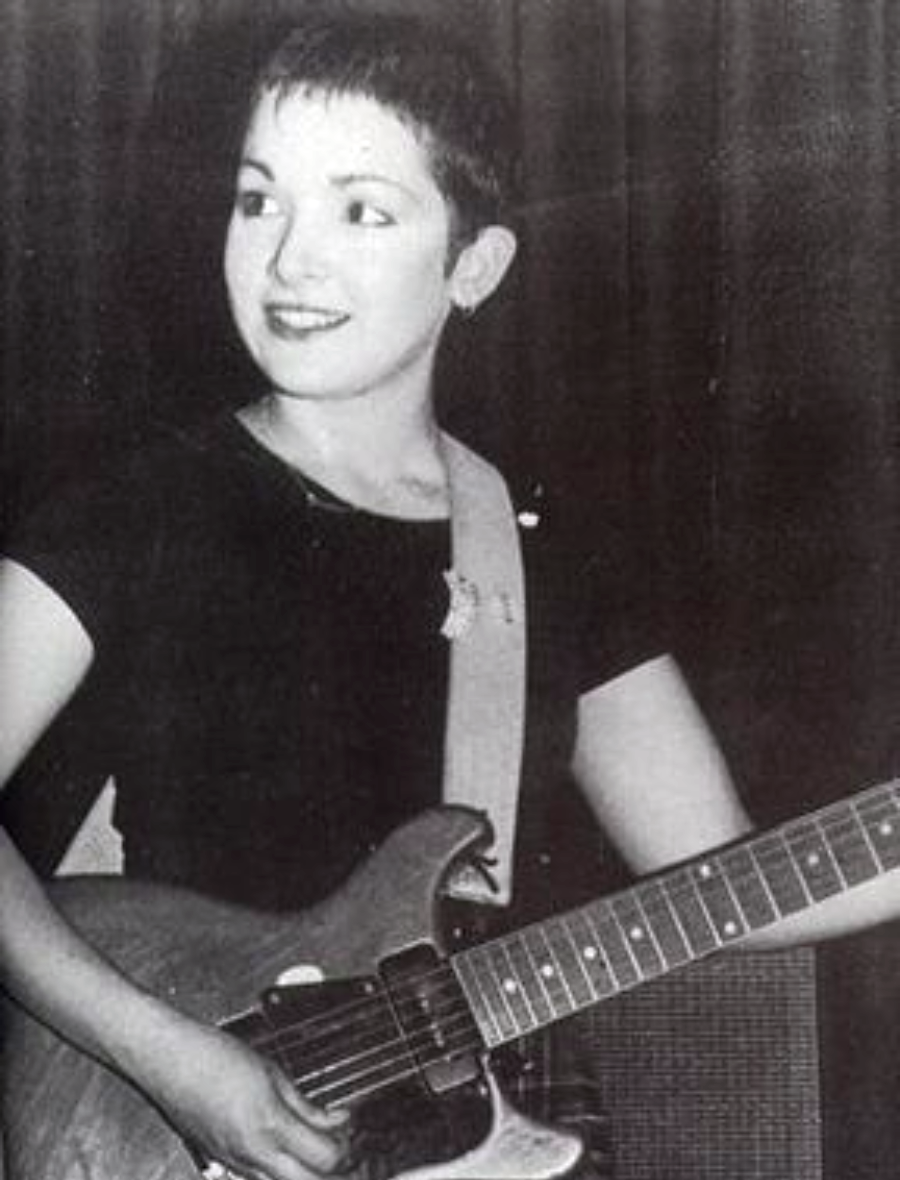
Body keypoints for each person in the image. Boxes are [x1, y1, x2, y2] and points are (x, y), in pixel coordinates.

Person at [2, 10, 900, 1180]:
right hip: (146, 1121)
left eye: (363, 211)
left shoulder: (550, 558)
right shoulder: (135, 513)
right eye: (259, 198)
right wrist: (178, 1064)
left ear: (472, 266)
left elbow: (728, 878)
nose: (289, 260)